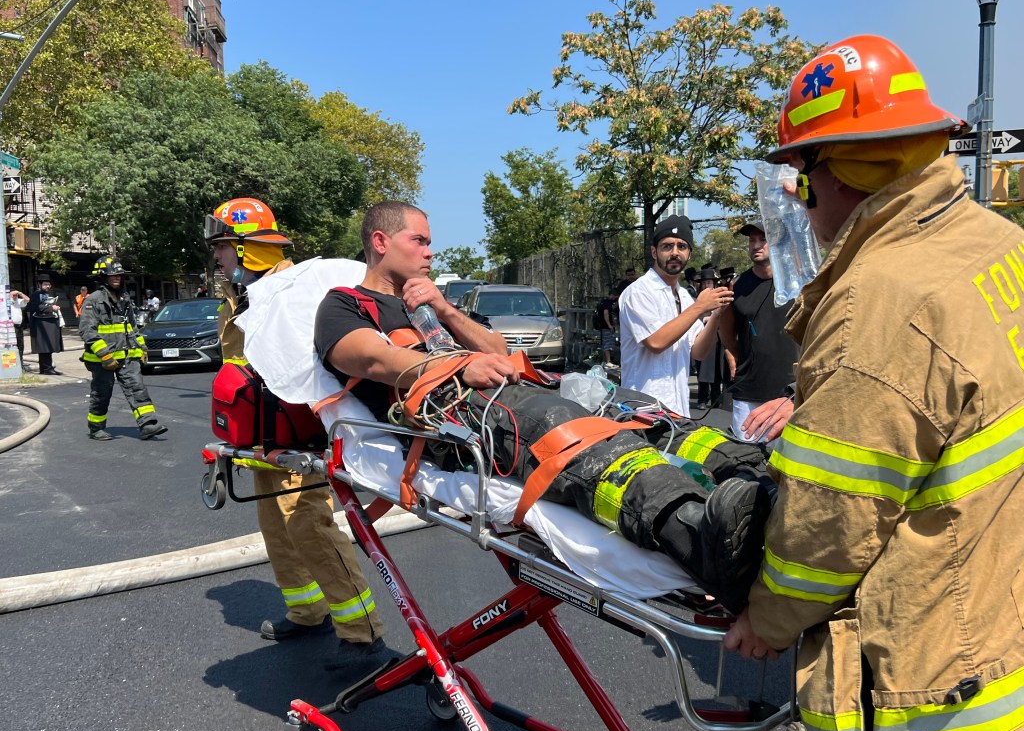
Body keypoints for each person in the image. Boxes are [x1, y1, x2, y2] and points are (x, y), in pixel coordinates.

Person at [723, 35, 1024, 731]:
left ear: (841, 173)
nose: (800, 200)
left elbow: (835, 515)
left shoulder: (879, 298)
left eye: (799, 178)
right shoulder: (995, 243)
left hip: (937, 691)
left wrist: (769, 617)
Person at [313, 201, 774, 613]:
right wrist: (457, 369)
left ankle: (753, 475)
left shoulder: (433, 303)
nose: (430, 252)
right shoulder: (344, 306)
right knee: (562, 426)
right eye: (419, 241)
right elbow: (370, 357)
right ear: (380, 242)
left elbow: (498, 348)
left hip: (511, 387)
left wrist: (446, 311)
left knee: (631, 406)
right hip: (454, 418)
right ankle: (695, 535)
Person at [205, 197, 388, 673]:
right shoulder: (243, 296)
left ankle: (361, 630)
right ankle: (307, 611)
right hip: (260, 433)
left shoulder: (294, 294)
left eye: (224, 247)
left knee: (307, 522)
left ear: (247, 249)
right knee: (275, 523)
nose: (218, 257)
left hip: (299, 431)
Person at [618, 215, 733, 417]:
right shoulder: (639, 292)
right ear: (654, 252)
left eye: (682, 246)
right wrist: (699, 308)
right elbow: (656, 342)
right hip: (643, 412)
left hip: (677, 410)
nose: (675, 253)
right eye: (667, 246)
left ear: (689, 254)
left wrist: (715, 316)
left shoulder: (684, 296)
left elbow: (698, 351)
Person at [718, 220, 800, 442]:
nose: (756, 245)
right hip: (748, 392)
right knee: (747, 464)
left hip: (790, 396)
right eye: (752, 240)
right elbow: (727, 329)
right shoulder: (738, 285)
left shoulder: (798, 281)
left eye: (763, 239)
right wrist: (731, 350)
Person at [78, 256, 167, 441]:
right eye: (113, 275)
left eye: (119, 275)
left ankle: (148, 424)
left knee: (137, 388)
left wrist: (141, 347)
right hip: (103, 359)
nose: (117, 278)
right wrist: (104, 355)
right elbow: (87, 330)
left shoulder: (124, 299)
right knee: (102, 393)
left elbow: (132, 327)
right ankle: (96, 428)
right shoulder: (93, 300)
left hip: (127, 355)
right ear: (103, 278)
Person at [694, 266, 728, 410]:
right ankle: (702, 398)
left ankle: (716, 398)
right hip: (703, 336)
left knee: (717, 372)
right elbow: (695, 317)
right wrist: (709, 318)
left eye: (710, 282)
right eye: (705, 282)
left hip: (718, 338)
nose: (708, 285)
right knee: (703, 371)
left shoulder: (719, 297)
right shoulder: (698, 299)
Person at [27, 273, 64, 375]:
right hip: (41, 324)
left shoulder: (46, 294)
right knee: (45, 347)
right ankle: (47, 368)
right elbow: (35, 307)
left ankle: (46, 368)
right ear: (39, 284)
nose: (48, 286)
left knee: (48, 346)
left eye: (49, 284)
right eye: (45, 284)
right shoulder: (36, 295)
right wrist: (51, 308)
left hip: (48, 323)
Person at [596, 286, 619, 369]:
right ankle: (608, 362)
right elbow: (606, 314)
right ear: (612, 295)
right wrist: (609, 325)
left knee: (608, 342)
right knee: (607, 343)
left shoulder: (604, 302)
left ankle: (605, 361)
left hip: (604, 326)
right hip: (606, 326)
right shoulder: (607, 303)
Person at [9, 287, 29, 372]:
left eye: (16, 294)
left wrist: (20, 293)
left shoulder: (18, 301)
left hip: (19, 326)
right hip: (10, 326)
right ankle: (11, 366)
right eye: (13, 294)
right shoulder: (7, 302)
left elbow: (27, 300)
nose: (15, 296)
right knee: (11, 346)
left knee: (20, 346)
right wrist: (10, 295)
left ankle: (20, 364)